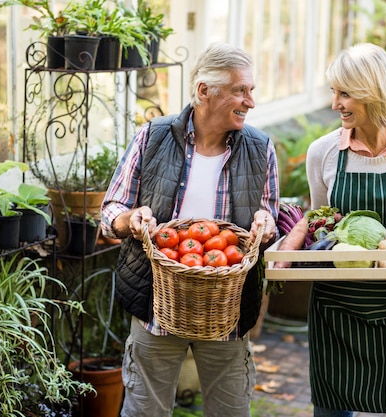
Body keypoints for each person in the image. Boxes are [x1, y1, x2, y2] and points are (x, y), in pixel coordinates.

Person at [100, 42, 279, 417]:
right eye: (240, 90)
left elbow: (267, 217)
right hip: (157, 303)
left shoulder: (261, 148)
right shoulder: (153, 137)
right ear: (203, 92)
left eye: (251, 91)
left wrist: (266, 226)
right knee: (144, 411)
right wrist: (131, 220)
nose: (250, 101)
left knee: (230, 411)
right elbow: (111, 210)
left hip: (226, 309)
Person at [281, 42, 386, 417]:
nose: (335, 102)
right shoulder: (323, 152)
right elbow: (323, 224)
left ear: (374, 92)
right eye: (333, 92)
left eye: (345, 93)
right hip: (338, 307)